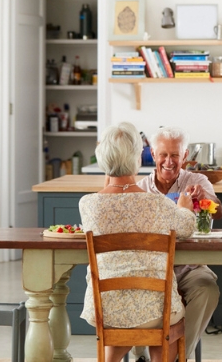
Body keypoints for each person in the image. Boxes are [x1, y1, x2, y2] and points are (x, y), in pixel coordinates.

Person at [79, 122, 196, 362]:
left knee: (127, 322)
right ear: (139, 159)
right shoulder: (158, 204)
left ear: (102, 159)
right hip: (156, 309)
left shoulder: (88, 205)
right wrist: (185, 208)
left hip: (106, 309)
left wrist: (110, 176)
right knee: (163, 324)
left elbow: (112, 195)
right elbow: (187, 227)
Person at [134, 126, 221, 362]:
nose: (169, 161)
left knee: (208, 289)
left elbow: (218, 211)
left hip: (188, 268)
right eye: (163, 154)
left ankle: (176, 357)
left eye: (175, 155)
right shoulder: (139, 189)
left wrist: (204, 198)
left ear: (185, 156)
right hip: (151, 270)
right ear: (153, 154)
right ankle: (143, 352)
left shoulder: (197, 180)